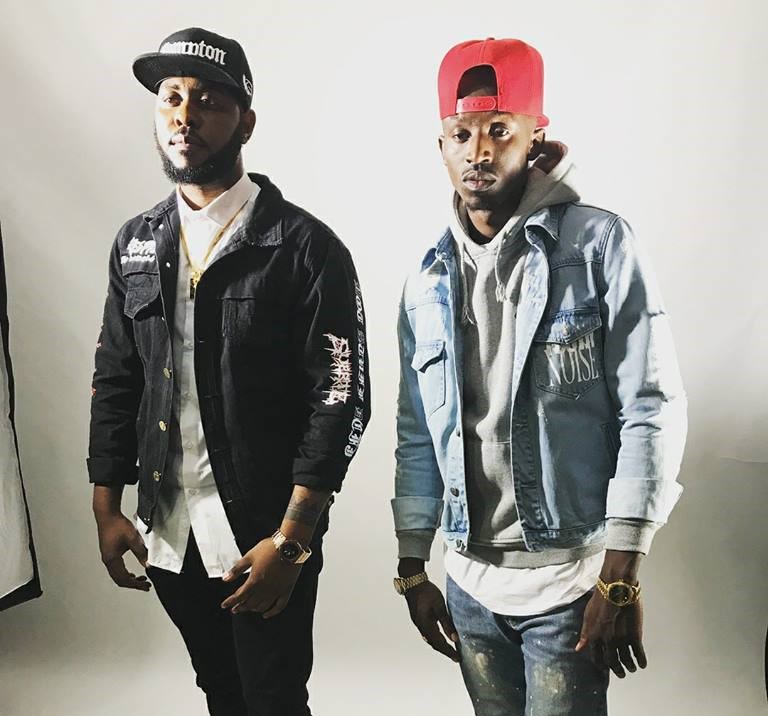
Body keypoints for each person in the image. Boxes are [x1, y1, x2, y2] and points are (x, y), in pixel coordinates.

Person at [392, 38, 686, 715]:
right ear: (441, 146)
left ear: (535, 137)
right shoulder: (426, 277)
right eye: (461, 134)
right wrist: (412, 563)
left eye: (500, 130)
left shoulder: (598, 245)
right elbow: (417, 430)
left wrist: (620, 573)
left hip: (570, 579)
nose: (478, 151)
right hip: (467, 584)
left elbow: (650, 404)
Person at [88, 27, 370, 716]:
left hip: (265, 535)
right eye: (171, 98)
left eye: (209, 101)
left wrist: (293, 541)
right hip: (169, 528)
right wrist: (107, 505)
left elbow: (339, 398)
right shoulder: (136, 243)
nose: (185, 115)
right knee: (221, 692)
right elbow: (117, 375)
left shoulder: (305, 248)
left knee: (273, 700)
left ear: (246, 121)